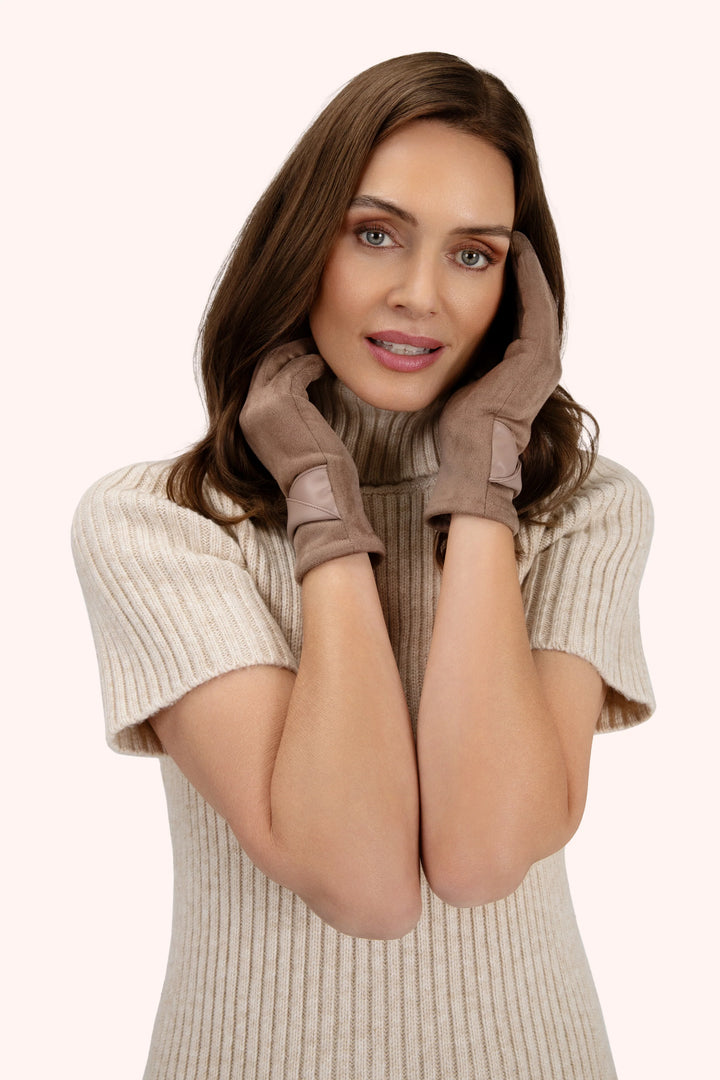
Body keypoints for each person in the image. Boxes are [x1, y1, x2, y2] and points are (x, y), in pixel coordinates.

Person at [72, 52, 654, 1080]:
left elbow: (478, 859)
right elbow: (364, 883)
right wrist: (318, 500)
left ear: (522, 293)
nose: (421, 296)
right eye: (375, 234)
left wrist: (483, 488)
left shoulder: (582, 513)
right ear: (304, 245)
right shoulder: (160, 526)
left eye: (473, 256)